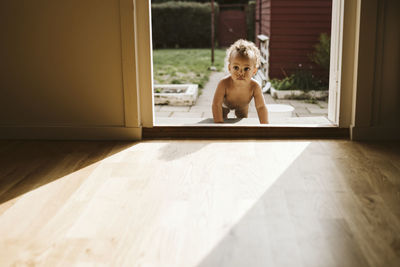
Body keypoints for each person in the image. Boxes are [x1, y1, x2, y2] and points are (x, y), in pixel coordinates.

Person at [212, 39, 269, 124]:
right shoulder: (223, 84)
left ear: (254, 71)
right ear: (229, 68)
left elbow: (261, 107)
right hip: (225, 104)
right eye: (236, 68)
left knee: (242, 120)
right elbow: (216, 105)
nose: (241, 73)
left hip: (243, 105)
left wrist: (265, 126)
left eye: (246, 69)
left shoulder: (255, 86)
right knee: (222, 116)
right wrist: (219, 124)